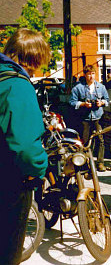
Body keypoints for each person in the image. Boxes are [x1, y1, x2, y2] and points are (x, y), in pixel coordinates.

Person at [0, 28, 49, 264]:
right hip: (8, 182)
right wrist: (39, 171)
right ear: (35, 57)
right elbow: (26, 148)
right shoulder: (17, 85)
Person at [69, 65, 109, 172]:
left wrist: (101, 103)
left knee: (100, 140)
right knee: (85, 141)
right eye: (88, 74)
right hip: (84, 118)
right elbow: (72, 102)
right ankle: (86, 163)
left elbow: (107, 100)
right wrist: (83, 104)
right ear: (85, 75)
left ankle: (100, 163)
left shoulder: (101, 87)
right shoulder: (78, 88)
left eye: (93, 74)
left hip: (98, 117)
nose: (91, 76)